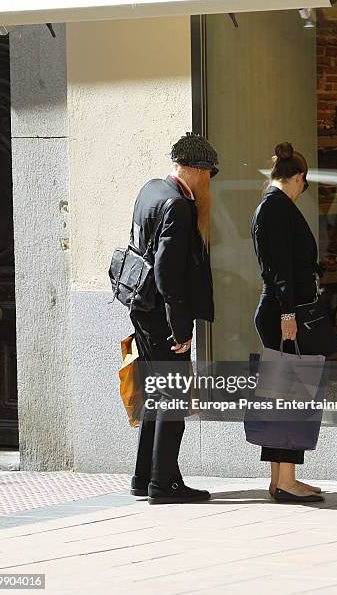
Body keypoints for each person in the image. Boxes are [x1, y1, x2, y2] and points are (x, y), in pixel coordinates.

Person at [129, 132, 218, 504]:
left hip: (142, 309)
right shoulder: (179, 206)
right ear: (197, 170)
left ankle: (144, 477)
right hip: (163, 317)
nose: (210, 180)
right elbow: (167, 275)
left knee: (156, 395)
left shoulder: (151, 189)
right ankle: (163, 485)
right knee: (173, 398)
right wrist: (181, 329)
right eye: (210, 173)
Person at [247, 142, 325, 503]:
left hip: (281, 310)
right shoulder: (277, 208)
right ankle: (287, 480)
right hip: (283, 312)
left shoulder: (271, 207)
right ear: (297, 177)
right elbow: (279, 269)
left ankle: (281, 478)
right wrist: (289, 314)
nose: (301, 192)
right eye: (303, 186)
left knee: (283, 394)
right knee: (291, 395)